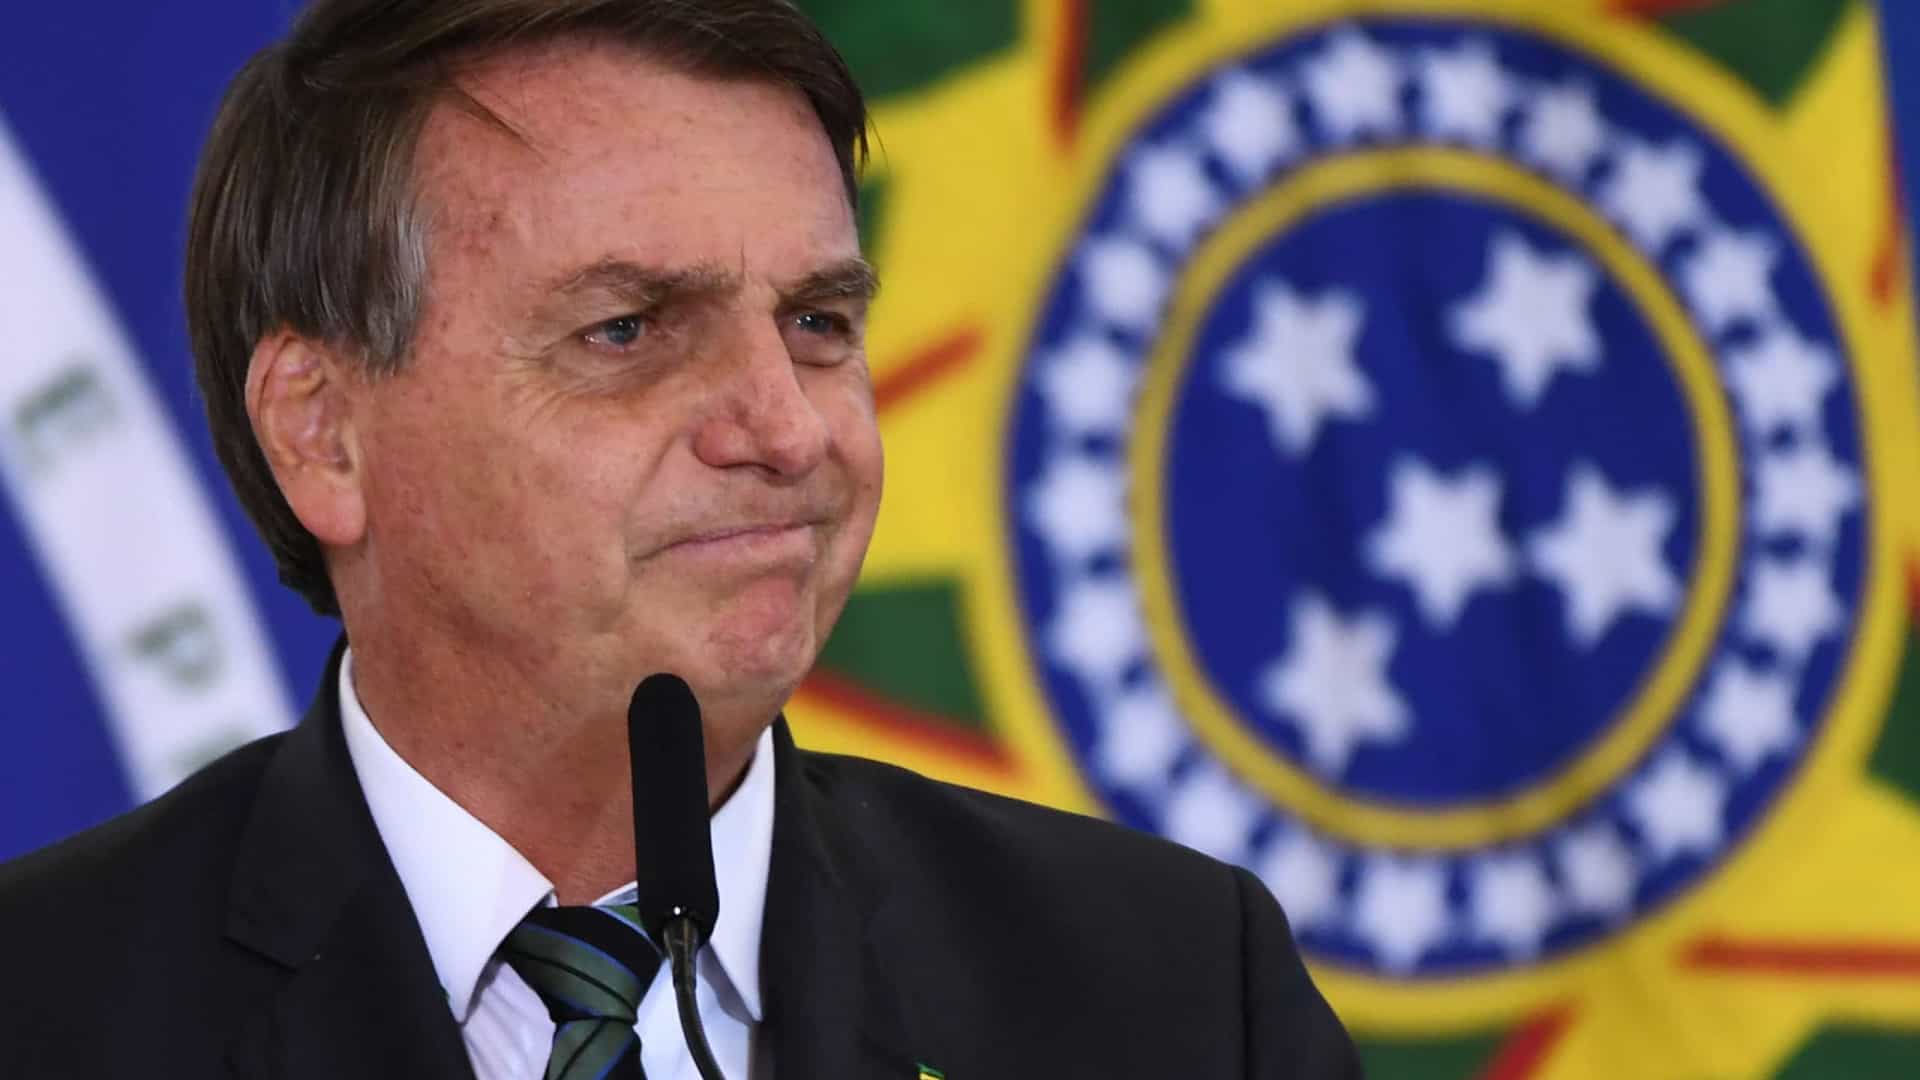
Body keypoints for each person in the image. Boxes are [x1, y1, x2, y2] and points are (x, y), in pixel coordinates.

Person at [0, 1, 1360, 1076]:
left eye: (818, 323)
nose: (788, 429)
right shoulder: (44, 1004)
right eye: (629, 331)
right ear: (322, 432)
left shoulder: (1179, 991)